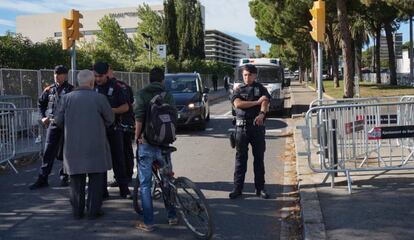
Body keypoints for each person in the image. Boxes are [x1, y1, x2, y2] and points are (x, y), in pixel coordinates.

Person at [55, 69, 114, 219]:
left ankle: (77, 211)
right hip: (96, 145)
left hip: (73, 147)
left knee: (76, 181)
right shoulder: (100, 98)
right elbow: (110, 120)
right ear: (91, 82)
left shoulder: (66, 98)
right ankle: (93, 211)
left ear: (78, 82)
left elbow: (58, 121)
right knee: (96, 180)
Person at [134, 67, 178, 232]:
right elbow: (174, 117)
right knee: (167, 180)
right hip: (165, 143)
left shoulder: (142, 94)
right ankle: (172, 216)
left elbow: (139, 119)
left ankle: (149, 222)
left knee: (145, 184)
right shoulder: (168, 95)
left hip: (147, 144)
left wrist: (137, 137)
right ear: (162, 80)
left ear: (149, 79)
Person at [229, 64, 271, 200]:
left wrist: (262, 113)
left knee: (259, 159)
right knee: (240, 160)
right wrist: (256, 102)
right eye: (245, 75)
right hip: (241, 129)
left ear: (255, 75)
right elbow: (238, 104)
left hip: (257, 128)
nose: (247, 77)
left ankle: (260, 189)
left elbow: (265, 101)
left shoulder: (261, 88)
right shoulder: (238, 89)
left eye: (249, 75)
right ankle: (237, 188)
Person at [30, 65, 74, 190]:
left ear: (65, 75)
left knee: (66, 152)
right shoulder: (49, 90)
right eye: (55, 74)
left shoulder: (72, 90)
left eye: (59, 74)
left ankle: (65, 176)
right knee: (48, 151)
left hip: (67, 125)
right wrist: (43, 116)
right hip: (53, 124)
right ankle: (42, 178)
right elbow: (41, 104)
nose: (56, 76)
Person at [93, 61, 130, 198]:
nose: (98, 79)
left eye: (100, 76)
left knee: (118, 160)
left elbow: (125, 107)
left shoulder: (117, 86)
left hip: (114, 129)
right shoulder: (92, 86)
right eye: (95, 76)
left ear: (106, 74)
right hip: (98, 131)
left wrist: (109, 111)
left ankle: (124, 190)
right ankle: (102, 192)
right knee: (100, 162)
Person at [107, 65, 135, 185]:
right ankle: (124, 175)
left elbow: (127, 105)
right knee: (125, 150)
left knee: (121, 151)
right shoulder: (124, 85)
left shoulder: (117, 86)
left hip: (121, 122)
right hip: (125, 123)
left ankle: (124, 176)